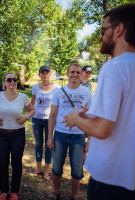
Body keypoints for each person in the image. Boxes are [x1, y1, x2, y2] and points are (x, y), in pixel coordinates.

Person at [63, 4, 135, 200]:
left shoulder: (114, 67)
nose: (101, 36)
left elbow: (103, 130)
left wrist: (75, 119)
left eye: (103, 30)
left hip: (112, 178)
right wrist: (93, 114)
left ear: (119, 29)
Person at [46, 63, 92, 200]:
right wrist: (50, 136)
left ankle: (75, 196)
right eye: (72, 72)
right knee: (57, 167)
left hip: (78, 136)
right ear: (67, 74)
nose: (75, 75)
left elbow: (92, 117)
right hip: (60, 134)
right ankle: (56, 192)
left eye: (78, 72)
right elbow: (53, 115)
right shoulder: (59, 92)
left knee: (77, 169)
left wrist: (89, 140)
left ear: (81, 74)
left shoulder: (87, 93)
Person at [0, 72, 35, 200]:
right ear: (4, 82)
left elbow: (32, 110)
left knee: (16, 163)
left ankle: (14, 192)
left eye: (14, 79)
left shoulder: (23, 96)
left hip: (18, 134)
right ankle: (4, 191)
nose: (12, 82)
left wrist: (26, 117)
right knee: (3, 163)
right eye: (9, 80)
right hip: (1, 134)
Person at [30, 66, 60, 180]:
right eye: (42, 73)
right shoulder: (35, 87)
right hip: (37, 119)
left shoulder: (57, 88)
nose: (44, 74)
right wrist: (29, 114)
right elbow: (32, 103)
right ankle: (38, 169)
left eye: (47, 72)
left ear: (50, 74)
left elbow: (59, 103)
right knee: (38, 143)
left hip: (50, 119)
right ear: (39, 75)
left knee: (49, 144)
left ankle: (46, 171)